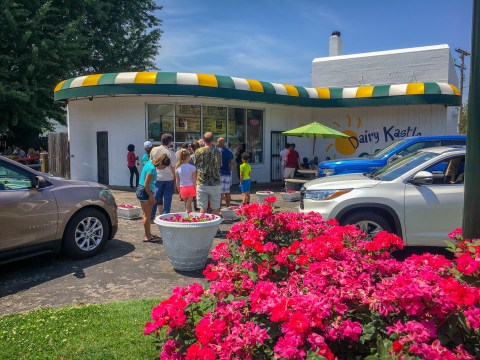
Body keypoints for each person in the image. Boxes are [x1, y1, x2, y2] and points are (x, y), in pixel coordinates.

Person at [136, 154, 171, 242]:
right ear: (160, 163)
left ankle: (148, 234)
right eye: (163, 167)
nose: (162, 169)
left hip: (144, 190)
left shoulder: (150, 162)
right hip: (145, 191)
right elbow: (146, 185)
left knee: (146, 214)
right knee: (147, 215)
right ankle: (147, 236)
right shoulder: (152, 169)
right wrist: (152, 197)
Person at [150, 133, 176, 219]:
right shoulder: (171, 153)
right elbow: (173, 168)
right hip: (169, 178)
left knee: (155, 197)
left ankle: (152, 216)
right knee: (167, 199)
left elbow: (151, 163)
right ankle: (166, 217)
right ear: (169, 142)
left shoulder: (154, 150)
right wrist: (175, 180)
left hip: (156, 177)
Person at [194, 132, 222, 215]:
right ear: (213, 140)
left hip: (202, 181)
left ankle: (203, 226)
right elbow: (219, 165)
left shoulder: (198, 151)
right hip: (215, 182)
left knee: (203, 207)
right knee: (216, 207)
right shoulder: (217, 152)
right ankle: (215, 227)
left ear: (203, 140)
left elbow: (196, 164)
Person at [217, 137, 234, 208]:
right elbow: (232, 164)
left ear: (218, 143)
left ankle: (219, 208)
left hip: (219, 173)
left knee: (220, 193)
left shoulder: (217, 151)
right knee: (227, 192)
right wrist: (230, 171)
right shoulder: (229, 151)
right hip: (227, 173)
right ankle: (227, 207)